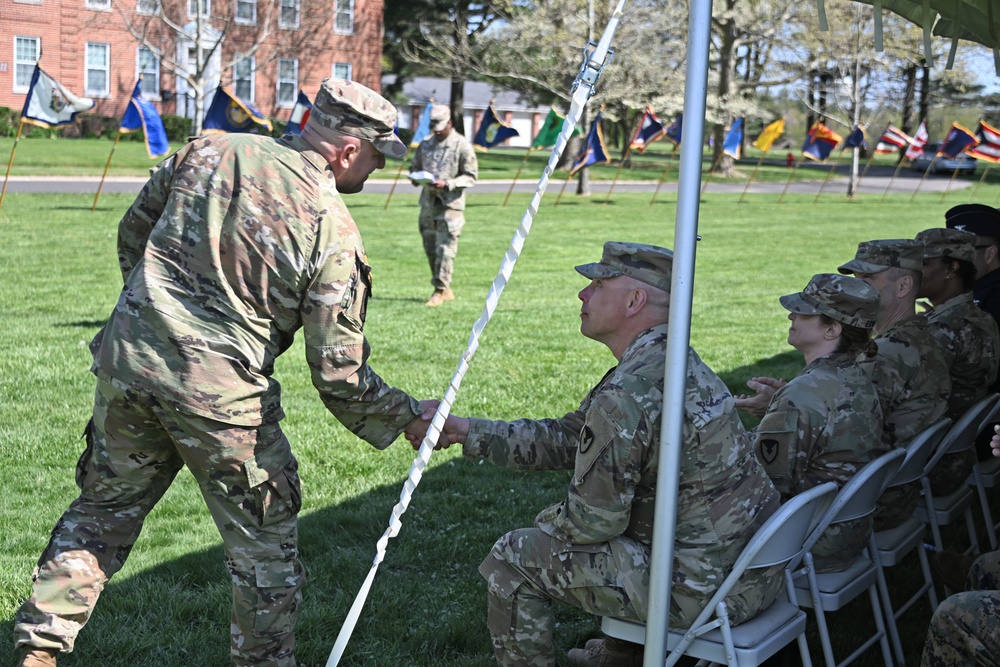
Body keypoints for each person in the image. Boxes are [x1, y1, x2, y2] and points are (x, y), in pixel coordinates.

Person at [13, 78, 438, 667]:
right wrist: (412, 418)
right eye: (374, 158)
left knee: (99, 515)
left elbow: (133, 230)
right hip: (224, 404)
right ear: (346, 151)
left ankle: (39, 648)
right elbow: (339, 374)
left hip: (129, 368)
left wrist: (153, 315)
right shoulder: (332, 227)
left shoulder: (209, 149)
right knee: (264, 556)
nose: (374, 172)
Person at [412, 242, 782, 667]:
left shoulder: (631, 389)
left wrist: (548, 522)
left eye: (597, 284)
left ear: (634, 300)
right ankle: (621, 656)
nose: (582, 295)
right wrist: (467, 431)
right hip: (748, 572)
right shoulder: (672, 360)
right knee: (619, 534)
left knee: (513, 556)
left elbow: (594, 522)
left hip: (701, 590)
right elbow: (573, 436)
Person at [735, 274, 884, 572]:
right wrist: (776, 410)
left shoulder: (802, 394)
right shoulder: (856, 377)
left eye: (804, 311)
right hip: (845, 532)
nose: (791, 315)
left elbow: (762, 485)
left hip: (803, 541)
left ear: (832, 330)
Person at [837, 239, 950, 530]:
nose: (856, 288)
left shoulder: (887, 354)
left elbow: (839, 432)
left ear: (903, 287)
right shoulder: (919, 337)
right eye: (856, 279)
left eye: (868, 279)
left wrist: (786, 406)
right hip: (899, 489)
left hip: (869, 501)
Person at [915, 227, 1000, 495]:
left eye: (924, 264)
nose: (914, 273)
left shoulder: (941, 330)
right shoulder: (978, 316)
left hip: (932, 463)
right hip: (961, 450)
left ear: (952, 268)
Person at [409, 103, 478, 306]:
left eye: (441, 127)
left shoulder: (462, 145)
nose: (437, 132)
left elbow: (471, 177)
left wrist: (448, 184)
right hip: (428, 204)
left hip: (450, 206)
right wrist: (416, 178)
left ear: (450, 123)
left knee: (445, 250)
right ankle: (444, 288)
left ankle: (440, 290)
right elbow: (415, 168)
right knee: (431, 248)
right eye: (434, 127)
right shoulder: (426, 144)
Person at [945, 203, 1000, 460]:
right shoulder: (972, 294)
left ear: (990, 254)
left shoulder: (990, 302)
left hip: (974, 437)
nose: (954, 262)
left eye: (965, 251)